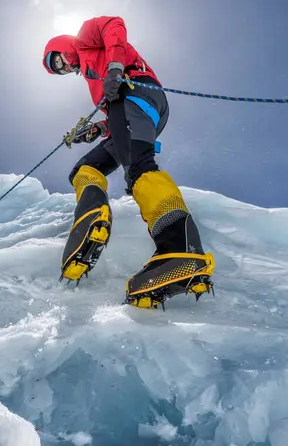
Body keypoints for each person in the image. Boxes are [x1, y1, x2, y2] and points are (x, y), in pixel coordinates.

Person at [42, 16, 215, 308]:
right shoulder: (91, 72)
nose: (65, 67)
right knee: (86, 169)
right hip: (134, 105)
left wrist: (115, 68)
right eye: (60, 70)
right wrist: (97, 129)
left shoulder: (86, 39)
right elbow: (117, 120)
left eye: (58, 61)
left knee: (140, 168)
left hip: (136, 90)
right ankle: (91, 218)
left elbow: (113, 25)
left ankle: (181, 249)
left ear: (62, 45)